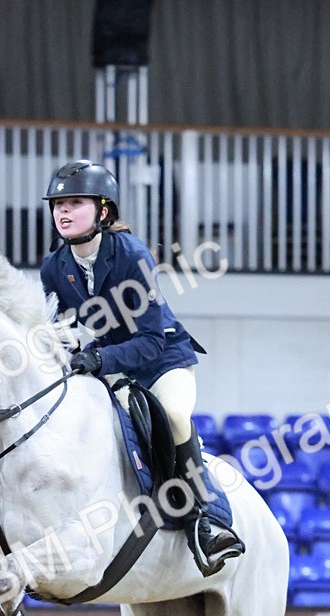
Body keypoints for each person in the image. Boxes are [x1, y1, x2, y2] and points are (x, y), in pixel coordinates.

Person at [40, 159, 244, 577]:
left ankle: (207, 519)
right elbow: (61, 329)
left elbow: (150, 341)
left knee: (172, 414)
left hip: (163, 360)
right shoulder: (54, 268)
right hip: (110, 366)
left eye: (75, 202)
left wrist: (98, 358)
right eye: (58, 203)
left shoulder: (132, 256)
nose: (63, 211)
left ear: (103, 211)